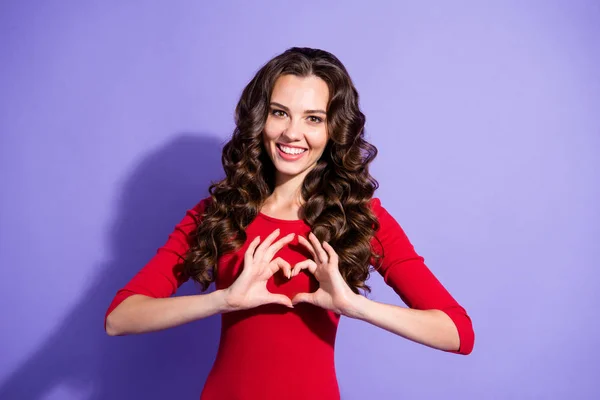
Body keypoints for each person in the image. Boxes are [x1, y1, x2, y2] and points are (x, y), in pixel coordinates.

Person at [104, 47, 475, 399]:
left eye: (313, 118)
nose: (291, 133)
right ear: (259, 118)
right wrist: (224, 300)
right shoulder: (218, 212)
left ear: (334, 130)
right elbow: (120, 318)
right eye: (279, 113)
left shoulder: (360, 219)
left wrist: (353, 305)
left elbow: (458, 334)